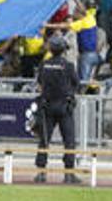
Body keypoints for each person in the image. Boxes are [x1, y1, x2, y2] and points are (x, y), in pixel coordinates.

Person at [34, 35, 80, 184]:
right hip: (64, 108)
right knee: (69, 141)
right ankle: (68, 174)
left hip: (47, 106)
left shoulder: (44, 65)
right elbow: (76, 83)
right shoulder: (69, 66)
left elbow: (40, 83)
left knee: (44, 140)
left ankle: (41, 173)